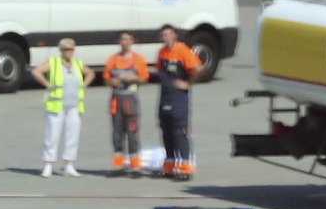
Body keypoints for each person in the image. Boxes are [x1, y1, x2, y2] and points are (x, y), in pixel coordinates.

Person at [31, 38, 95, 178]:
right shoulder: (54, 62)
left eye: (71, 49)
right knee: (52, 135)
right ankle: (48, 165)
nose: (69, 52)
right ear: (61, 50)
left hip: (74, 106)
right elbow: (36, 71)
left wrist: (84, 85)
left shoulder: (77, 64)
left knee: (73, 135)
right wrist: (47, 84)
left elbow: (90, 73)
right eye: (66, 49)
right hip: (56, 106)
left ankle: (69, 165)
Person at [154, 23, 202, 180]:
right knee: (166, 130)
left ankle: (185, 168)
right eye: (163, 35)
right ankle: (169, 165)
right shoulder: (162, 53)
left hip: (178, 97)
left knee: (179, 131)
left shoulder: (182, 51)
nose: (165, 38)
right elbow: (160, 71)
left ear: (174, 35)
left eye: (168, 34)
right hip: (165, 95)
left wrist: (188, 83)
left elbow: (197, 68)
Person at [103, 31, 150, 177]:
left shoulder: (138, 59)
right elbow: (106, 79)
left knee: (132, 133)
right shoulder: (112, 59)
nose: (126, 42)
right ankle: (119, 166)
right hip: (116, 100)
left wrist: (133, 79)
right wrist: (113, 82)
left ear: (132, 42)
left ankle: (135, 167)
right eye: (123, 39)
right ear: (120, 41)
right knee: (117, 133)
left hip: (131, 100)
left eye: (128, 39)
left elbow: (145, 79)